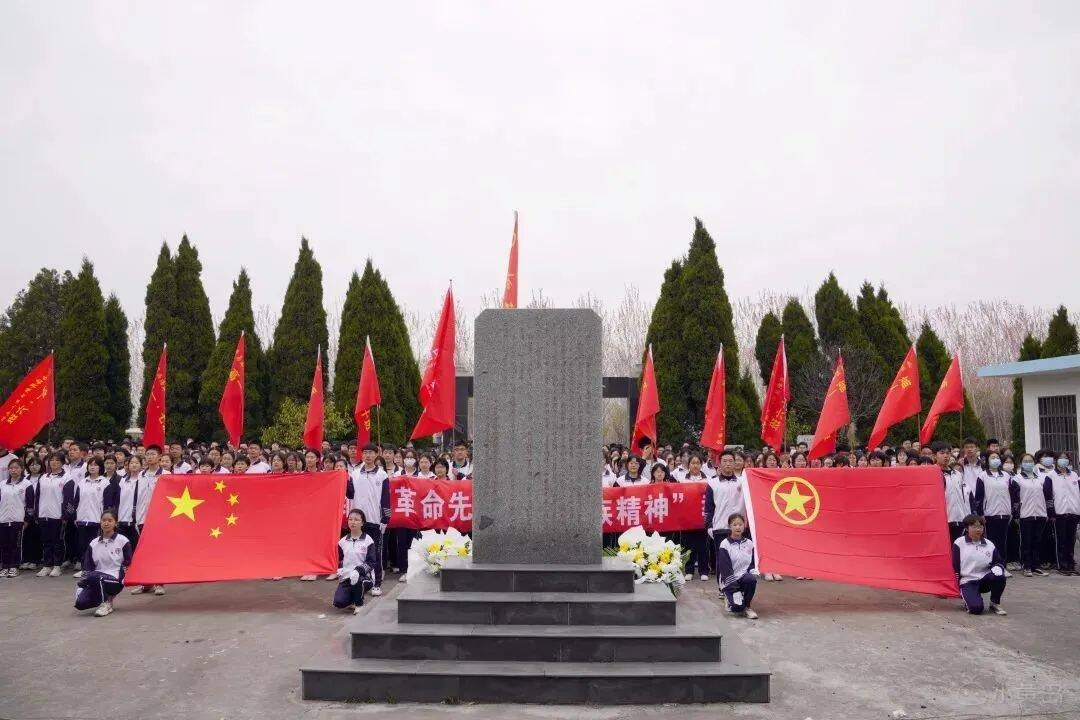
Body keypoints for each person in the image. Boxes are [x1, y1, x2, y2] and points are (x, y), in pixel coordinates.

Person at [346, 442, 389, 595]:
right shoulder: (355, 473)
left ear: (376, 454)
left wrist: (385, 519)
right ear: (361, 455)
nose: (368, 456)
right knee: (358, 552)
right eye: (365, 453)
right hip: (358, 521)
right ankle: (361, 581)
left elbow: (386, 498)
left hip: (375, 520)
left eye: (371, 453)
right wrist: (342, 481)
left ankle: (377, 583)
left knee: (376, 553)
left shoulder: (382, 474)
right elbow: (350, 494)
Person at [74, 509, 132, 617]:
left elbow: (128, 563)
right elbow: (88, 565)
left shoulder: (123, 541)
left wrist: (123, 579)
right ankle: (105, 598)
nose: (106, 523)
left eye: (110, 520)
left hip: (115, 580)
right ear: (100, 522)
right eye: (104, 520)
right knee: (80, 603)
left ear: (116, 523)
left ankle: (106, 604)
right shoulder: (94, 543)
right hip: (96, 578)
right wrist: (85, 583)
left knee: (94, 576)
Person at [952, 514, 1007, 616]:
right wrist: (955, 586)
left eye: (980, 527)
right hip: (968, 581)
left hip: (984, 579)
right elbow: (954, 566)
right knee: (976, 609)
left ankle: (994, 603)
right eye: (974, 527)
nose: (978, 529)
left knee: (1000, 577)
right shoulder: (959, 543)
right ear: (967, 528)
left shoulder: (989, 544)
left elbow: (998, 561)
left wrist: (998, 568)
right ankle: (970, 598)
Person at [64, 457, 109, 579]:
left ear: (100, 467)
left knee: (96, 545)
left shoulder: (105, 482)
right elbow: (76, 501)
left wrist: (104, 519)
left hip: (96, 520)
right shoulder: (82, 483)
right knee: (83, 545)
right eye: (90, 465)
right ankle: (85, 568)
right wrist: (75, 516)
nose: (92, 467)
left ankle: (96, 569)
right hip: (82, 519)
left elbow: (106, 503)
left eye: (95, 465)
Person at [131, 446, 165, 596]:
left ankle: (159, 583)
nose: (150, 457)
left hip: (159, 519)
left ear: (159, 457)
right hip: (142, 517)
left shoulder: (166, 475)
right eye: (148, 454)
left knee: (158, 551)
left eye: (153, 454)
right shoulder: (140, 476)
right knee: (143, 552)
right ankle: (145, 583)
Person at [974, 451, 1013, 577]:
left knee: (1003, 542)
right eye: (992, 457)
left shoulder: (1006, 476)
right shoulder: (982, 476)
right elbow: (979, 497)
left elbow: (1011, 494)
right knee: (991, 542)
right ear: (987, 460)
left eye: (997, 457)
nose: (995, 459)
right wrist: (981, 514)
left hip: (1005, 514)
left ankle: (1002, 566)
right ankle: (991, 567)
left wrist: (1011, 510)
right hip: (990, 515)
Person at [1012, 453, 1050, 577]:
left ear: (1034, 463)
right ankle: (1027, 565)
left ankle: (1036, 566)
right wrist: (1016, 515)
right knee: (1026, 542)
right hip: (1025, 515)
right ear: (1021, 464)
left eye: (1030, 461)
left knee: (1037, 540)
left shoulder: (1040, 478)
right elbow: (1015, 499)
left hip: (1040, 514)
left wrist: (1047, 513)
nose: (1028, 463)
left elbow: (1046, 496)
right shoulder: (1017, 479)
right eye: (1025, 461)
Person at [333, 509, 377, 614]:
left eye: (357, 520)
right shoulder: (342, 542)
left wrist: (358, 570)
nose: (353, 522)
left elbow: (371, 562)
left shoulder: (368, 540)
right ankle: (354, 597)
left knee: (358, 581)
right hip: (347, 577)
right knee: (339, 602)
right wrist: (339, 569)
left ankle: (359, 604)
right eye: (350, 519)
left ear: (362, 523)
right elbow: (339, 559)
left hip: (364, 577)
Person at [716, 513, 758, 619]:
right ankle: (730, 597)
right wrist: (734, 590)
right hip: (729, 579)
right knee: (736, 608)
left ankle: (747, 607)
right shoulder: (724, 544)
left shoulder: (749, 543)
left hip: (743, 575)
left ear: (744, 526)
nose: (738, 527)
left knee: (751, 579)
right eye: (735, 525)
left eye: (740, 524)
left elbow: (752, 563)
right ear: (730, 526)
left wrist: (753, 570)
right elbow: (725, 570)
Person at [1046, 451, 1079, 575]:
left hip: (1073, 512)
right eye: (1061, 458)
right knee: (1060, 540)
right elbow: (1048, 496)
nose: (1063, 460)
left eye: (1066, 458)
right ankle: (1061, 564)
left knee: (1071, 540)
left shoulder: (1074, 475)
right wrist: (1051, 513)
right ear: (1056, 461)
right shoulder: (1051, 476)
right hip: (1059, 513)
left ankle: (1070, 563)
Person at [679, 454, 711, 581]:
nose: (695, 465)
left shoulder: (708, 479)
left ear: (701, 464)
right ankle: (689, 570)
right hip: (687, 518)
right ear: (688, 465)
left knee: (703, 545)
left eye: (698, 463)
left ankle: (704, 570)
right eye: (693, 463)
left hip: (703, 517)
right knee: (688, 545)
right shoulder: (682, 479)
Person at [0, 459, 35, 577]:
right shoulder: (2, 484)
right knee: (4, 544)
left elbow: (30, 504)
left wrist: (27, 520)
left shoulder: (26, 484)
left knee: (15, 544)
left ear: (22, 469)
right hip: (3, 520)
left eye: (16, 468)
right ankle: (5, 566)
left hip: (18, 520)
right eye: (11, 468)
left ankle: (14, 566)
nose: (13, 470)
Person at [36, 453, 68, 577]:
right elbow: (38, 496)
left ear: (62, 462)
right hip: (44, 514)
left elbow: (68, 498)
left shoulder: (66, 478)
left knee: (57, 541)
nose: (54, 462)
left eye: (57, 460)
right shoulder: (43, 477)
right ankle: (47, 565)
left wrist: (65, 515)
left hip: (58, 516)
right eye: (52, 460)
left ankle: (57, 565)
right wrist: (37, 513)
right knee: (46, 541)